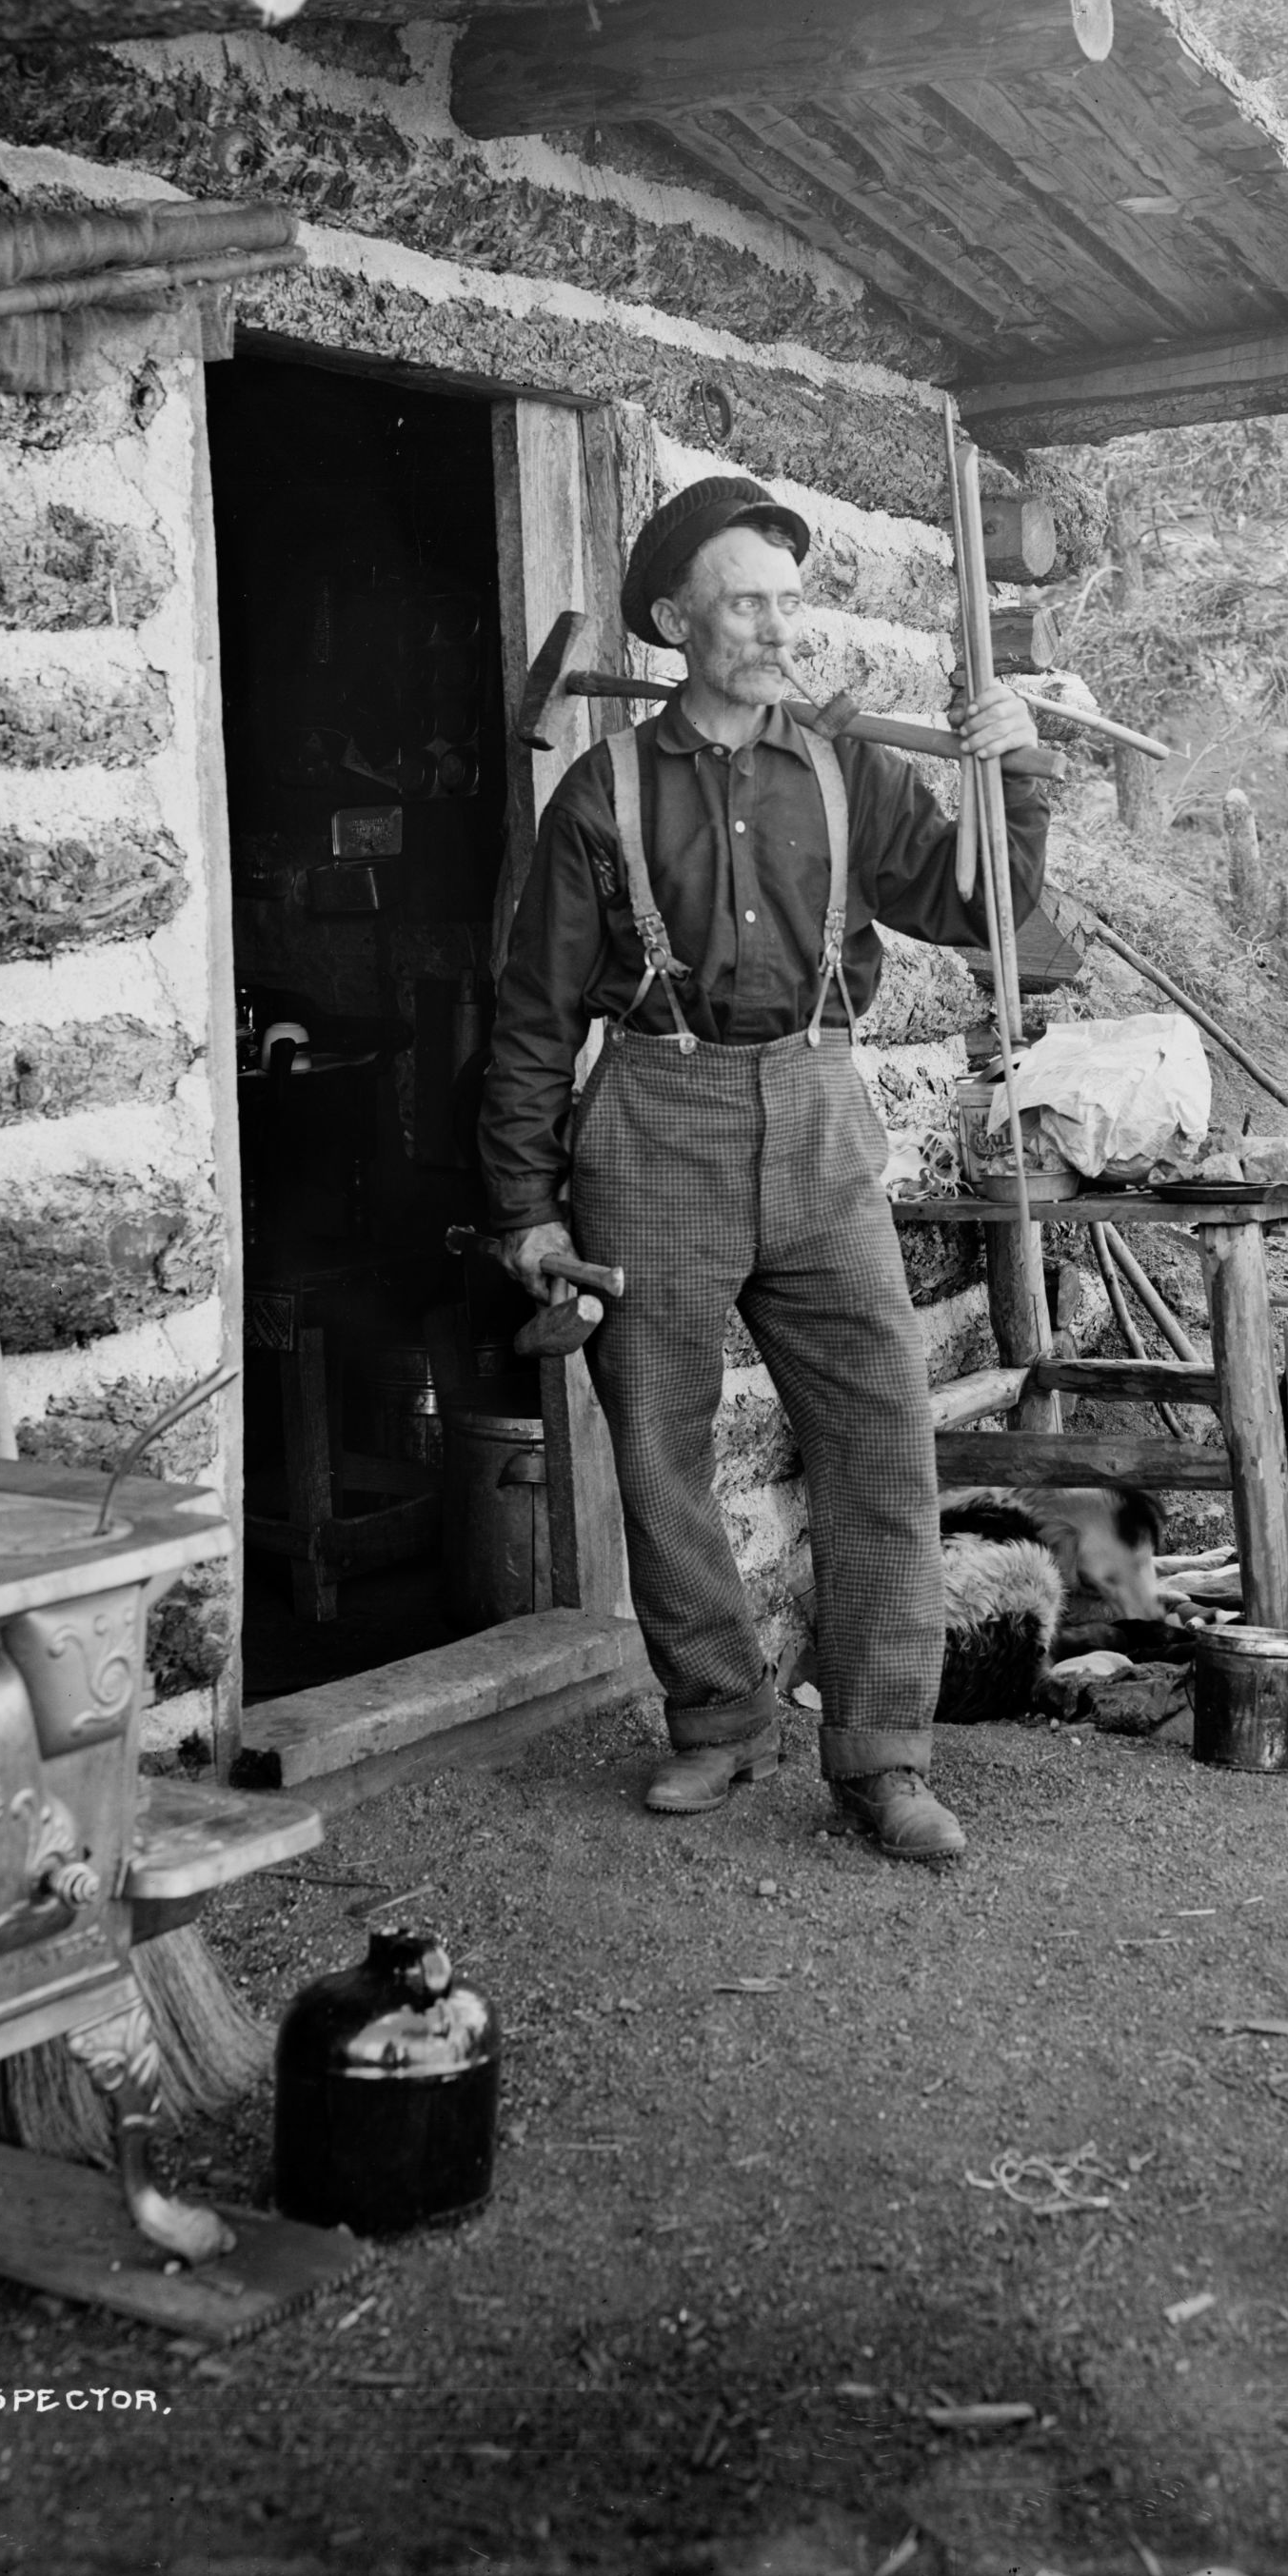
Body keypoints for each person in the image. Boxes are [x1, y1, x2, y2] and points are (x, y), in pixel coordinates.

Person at [478, 471, 1064, 1862]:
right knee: (663, 1448)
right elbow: (532, 1019)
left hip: (816, 1123)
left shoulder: (846, 767)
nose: (772, 625)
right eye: (743, 600)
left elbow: (984, 910)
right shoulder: (599, 796)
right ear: (676, 617)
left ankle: (881, 1755)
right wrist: (524, 1210)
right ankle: (718, 1721)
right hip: (653, 1126)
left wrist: (1016, 767)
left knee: (880, 1439)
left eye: (785, 599)